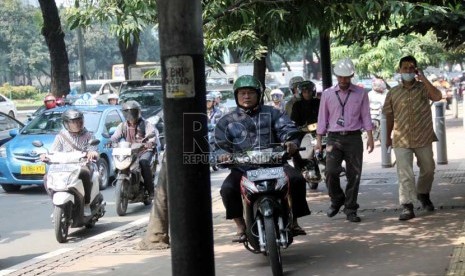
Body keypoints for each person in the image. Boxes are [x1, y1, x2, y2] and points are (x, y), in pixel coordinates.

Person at [215, 75, 311, 241]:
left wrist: (290, 142)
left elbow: (288, 130)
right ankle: (240, 225)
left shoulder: (274, 113)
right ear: (236, 96)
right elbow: (218, 143)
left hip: (275, 164)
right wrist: (221, 155)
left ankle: (294, 221)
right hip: (243, 168)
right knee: (227, 189)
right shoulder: (227, 120)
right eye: (242, 93)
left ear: (258, 95)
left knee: (297, 179)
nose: (246, 96)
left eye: (250, 93)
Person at [383, 55, 442, 221]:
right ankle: (407, 206)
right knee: (405, 173)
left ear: (415, 70)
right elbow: (388, 116)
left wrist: (422, 77)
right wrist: (387, 137)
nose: (408, 71)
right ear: (399, 70)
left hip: (423, 136)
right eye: (405, 68)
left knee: (429, 169)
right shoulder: (393, 92)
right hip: (401, 140)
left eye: (411, 68)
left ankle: (423, 193)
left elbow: (437, 97)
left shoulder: (423, 88)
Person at [315, 58, 374, 223]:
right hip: (333, 138)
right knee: (330, 171)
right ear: (336, 76)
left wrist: (369, 137)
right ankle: (337, 198)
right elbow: (322, 118)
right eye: (340, 77)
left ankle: (350, 208)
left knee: (354, 174)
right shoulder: (327, 94)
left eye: (346, 77)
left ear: (352, 76)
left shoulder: (361, 93)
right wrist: (319, 140)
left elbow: (366, 116)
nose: (343, 80)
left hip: (354, 137)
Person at [41, 109, 99, 215]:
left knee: (85, 173)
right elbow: (53, 151)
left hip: (82, 165)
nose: (77, 124)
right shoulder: (61, 136)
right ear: (66, 123)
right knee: (46, 177)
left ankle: (86, 203)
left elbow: (94, 149)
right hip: (64, 167)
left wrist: (92, 153)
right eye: (73, 122)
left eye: (79, 121)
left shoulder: (89, 135)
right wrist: (46, 156)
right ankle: (56, 204)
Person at [110, 100, 157, 199]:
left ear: (138, 112)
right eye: (128, 113)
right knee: (119, 163)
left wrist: (149, 143)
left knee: (143, 163)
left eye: (133, 112)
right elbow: (115, 136)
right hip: (129, 151)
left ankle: (151, 191)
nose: (130, 115)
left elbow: (152, 136)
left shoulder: (146, 124)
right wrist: (111, 141)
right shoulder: (122, 125)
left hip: (144, 151)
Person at [291, 80, 322, 185]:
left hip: (321, 131)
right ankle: (306, 168)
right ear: (301, 93)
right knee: (301, 150)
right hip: (304, 132)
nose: (307, 94)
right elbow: (293, 121)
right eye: (304, 92)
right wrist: (298, 127)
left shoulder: (319, 102)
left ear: (313, 92)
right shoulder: (297, 105)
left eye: (309, 91)